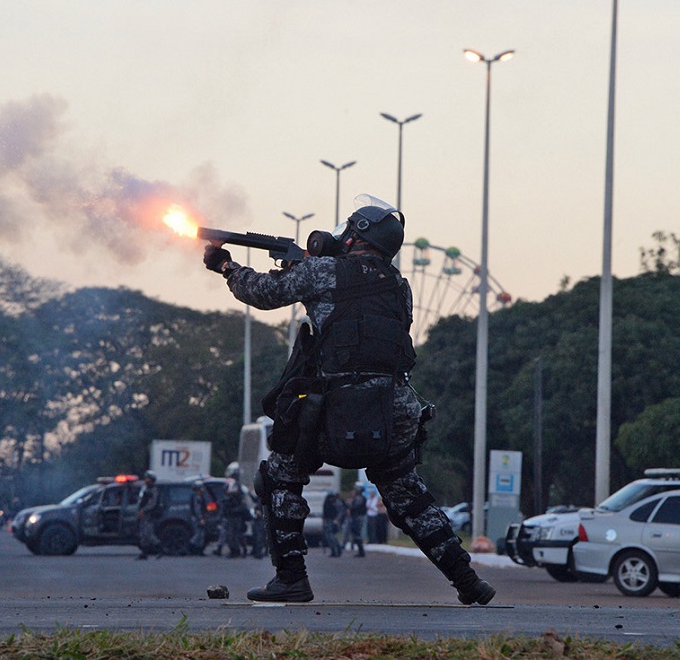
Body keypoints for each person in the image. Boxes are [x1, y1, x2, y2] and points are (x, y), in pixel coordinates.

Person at [201, 194, 495, 605]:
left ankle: (291, 579)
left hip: (336, 404)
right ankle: (468, 581)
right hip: (394, 406)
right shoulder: (400, 286)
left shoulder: (324, 272)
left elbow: (264, 293)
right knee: (407, 493)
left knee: (278, 478)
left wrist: (227, 267)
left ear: (357, 234)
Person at [136, 471, 162, 560]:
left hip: (149, 515)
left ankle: (160, 549)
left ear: (151, 480)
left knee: (149, 534)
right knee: (143, 535)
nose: (145, 480)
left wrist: (143, 510)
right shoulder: (145, 488)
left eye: (147, 478)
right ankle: (144, 553)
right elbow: (141, 500)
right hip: (143, 514)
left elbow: (152, 504)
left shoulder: (154, 490)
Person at [321, 491, 345, 558]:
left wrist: (336, 520)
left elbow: (340, 513)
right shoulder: (327, 503)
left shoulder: (337, 503)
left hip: (333, 521)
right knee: (329, 537)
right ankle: (334, 551)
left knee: (333, 537)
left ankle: (337, 550)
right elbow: (324, 513)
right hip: (327, 521)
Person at [188, 480, 209, 555]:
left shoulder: (200, 496)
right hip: (197, 518)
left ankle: (199, 550)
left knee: (201, 534)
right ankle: (190, 547)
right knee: (198, 534)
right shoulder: (196, 497)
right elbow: (197, 509)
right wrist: (200, 518)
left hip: (200, 517)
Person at [347, 483, 367, 557]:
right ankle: (360, 551)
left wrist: (347, 504)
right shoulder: (359, 497)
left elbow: (354, 507)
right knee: (356, 533)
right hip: (357, 517)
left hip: (358, 517)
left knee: (357, 533)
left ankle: (361, 551)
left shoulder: (359, 498)